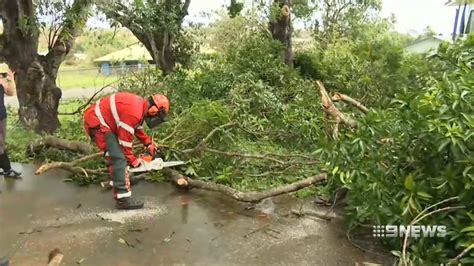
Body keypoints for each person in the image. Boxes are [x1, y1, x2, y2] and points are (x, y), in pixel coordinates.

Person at [83, 92, 169, 210]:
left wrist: (149, 144)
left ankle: (119, 181)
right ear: (154, 110)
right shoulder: (134, 112)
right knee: (118, 158)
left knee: (117, 156)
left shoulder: (139, 107)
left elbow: (137, 128)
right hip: (97, 122)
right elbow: (125, 143)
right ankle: (123, 199)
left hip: (103, 121)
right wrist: (134, 161)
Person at [0, 65, 21, 178]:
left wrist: (10, 79)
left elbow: (11, 92)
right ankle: (7, 169)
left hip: (2, 117)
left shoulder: (1, 83)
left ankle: (6, 169)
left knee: (1, 144)